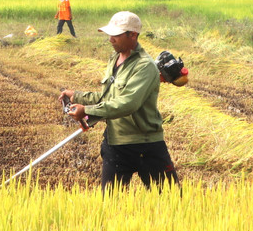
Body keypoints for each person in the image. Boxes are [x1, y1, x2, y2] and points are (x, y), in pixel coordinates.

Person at [59, 11, 179, 192]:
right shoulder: (114, 59)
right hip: (115, 143)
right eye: (110, 34)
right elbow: (108, 97)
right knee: (110, 203)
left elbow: (128, 103)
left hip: (146, 144)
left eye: (116, 35)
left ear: (133, 35)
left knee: (171, 201)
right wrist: (77, 96)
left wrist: (87, 111)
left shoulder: (144, 66)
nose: (110, 39)